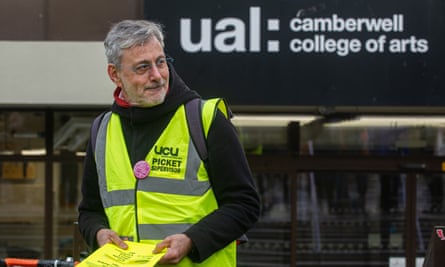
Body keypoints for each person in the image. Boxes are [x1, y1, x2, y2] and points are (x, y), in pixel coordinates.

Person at [77, 19, 260, 266]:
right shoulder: (102, 130)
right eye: (142, 67)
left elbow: (245, 205)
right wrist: (98, 232)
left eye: (161, 62)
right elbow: (89, 211)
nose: (157, 75)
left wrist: (191, 240)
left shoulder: (206, 120)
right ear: (115, 75)